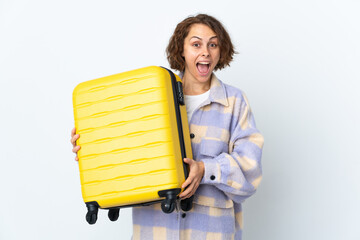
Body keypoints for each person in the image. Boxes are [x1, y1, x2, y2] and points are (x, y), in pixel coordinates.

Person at [71, 13, 264, 240]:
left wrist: (205, 169)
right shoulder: (148, 95)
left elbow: (250, 170)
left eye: (213, 44)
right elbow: (126, 151)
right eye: (196, 44)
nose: (205, 52)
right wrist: (91, 147)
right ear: (181, 50)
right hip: (153, 232)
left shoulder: (234, 102)